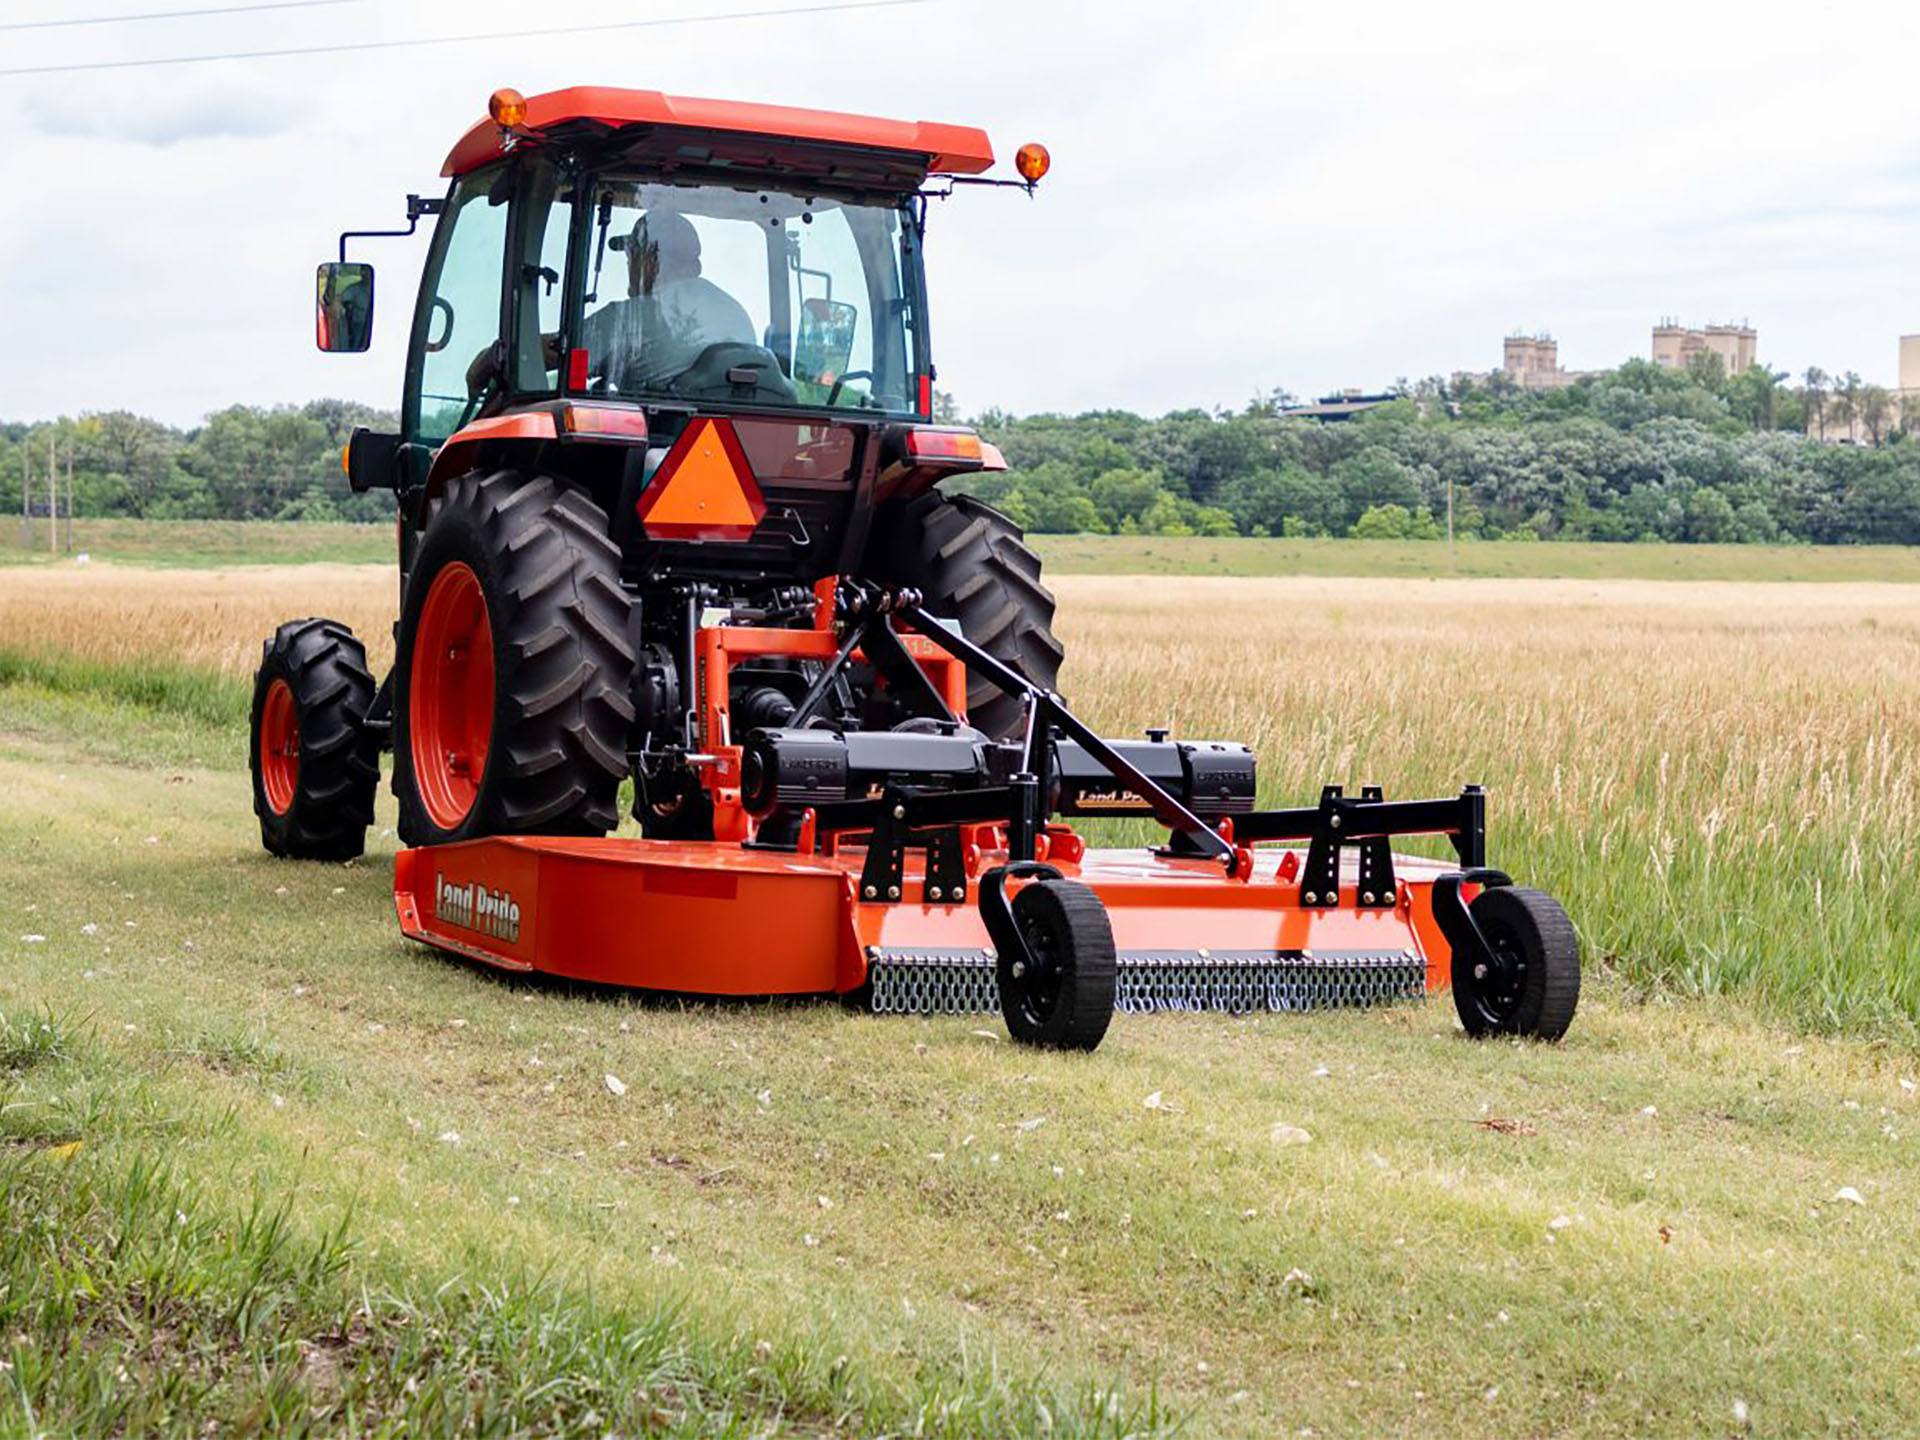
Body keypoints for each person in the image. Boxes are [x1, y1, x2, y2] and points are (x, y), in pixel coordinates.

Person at [582, 209, 755, 393]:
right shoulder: (734, 313)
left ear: (651, 261)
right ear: (695, 267)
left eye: (631, 256)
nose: (628, 265)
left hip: (660, 420)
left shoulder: (634, 317)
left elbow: (561, 351)